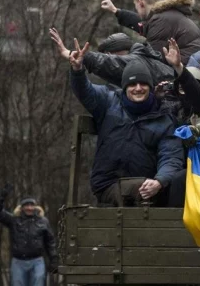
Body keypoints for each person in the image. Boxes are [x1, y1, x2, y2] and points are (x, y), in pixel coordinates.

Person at [65, 39, 184, 206]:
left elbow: (171, 157)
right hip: (107, 184)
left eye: (143, 84)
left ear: (150, 87)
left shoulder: (163, 119)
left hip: (149, 188)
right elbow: (85, 91)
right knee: (137, 190)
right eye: (132, 84)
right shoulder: (109, 101)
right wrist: (77, 70)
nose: (138, 88)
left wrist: (159, 181)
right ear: (124, 86)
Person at [102, 0, 200, 64]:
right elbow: (144, 25)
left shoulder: (161, 20)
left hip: (194, 70)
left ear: (140, 3)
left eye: (135, 5)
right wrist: (116, 11)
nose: (136, 9)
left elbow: (153, 61)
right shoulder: (166, 14)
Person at [50, 28, 174, 89]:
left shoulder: (135, 61)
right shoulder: (147, 59)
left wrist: (69, 53)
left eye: (109, 55)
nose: (108, 58)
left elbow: (106, 62)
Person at [0, 188, 58, 286]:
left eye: (31, 205)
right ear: (22, 207)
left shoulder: (43, 221)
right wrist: (0, 200)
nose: (29, 208)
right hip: (18, 262)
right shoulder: (14, 220)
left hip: (37, 261)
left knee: (38, 281)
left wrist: (54, 259)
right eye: (26, 205)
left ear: (35, 207)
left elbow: (50, 242)